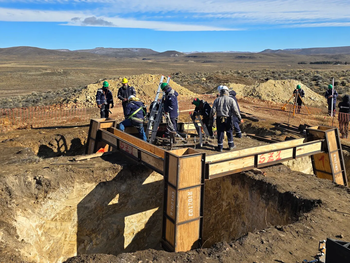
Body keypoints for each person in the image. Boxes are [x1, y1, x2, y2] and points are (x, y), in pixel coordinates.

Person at [210, 85, 241, 152]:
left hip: (219, 118)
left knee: (220, 132)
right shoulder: (231, 100)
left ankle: (220, 147)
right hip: (228, 118)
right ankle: (231, 145)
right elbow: (235, 110)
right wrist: (239, 117)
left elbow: (213, 110)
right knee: (229, 131)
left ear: (220, 92)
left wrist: (211, 116)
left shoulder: (217, 100)